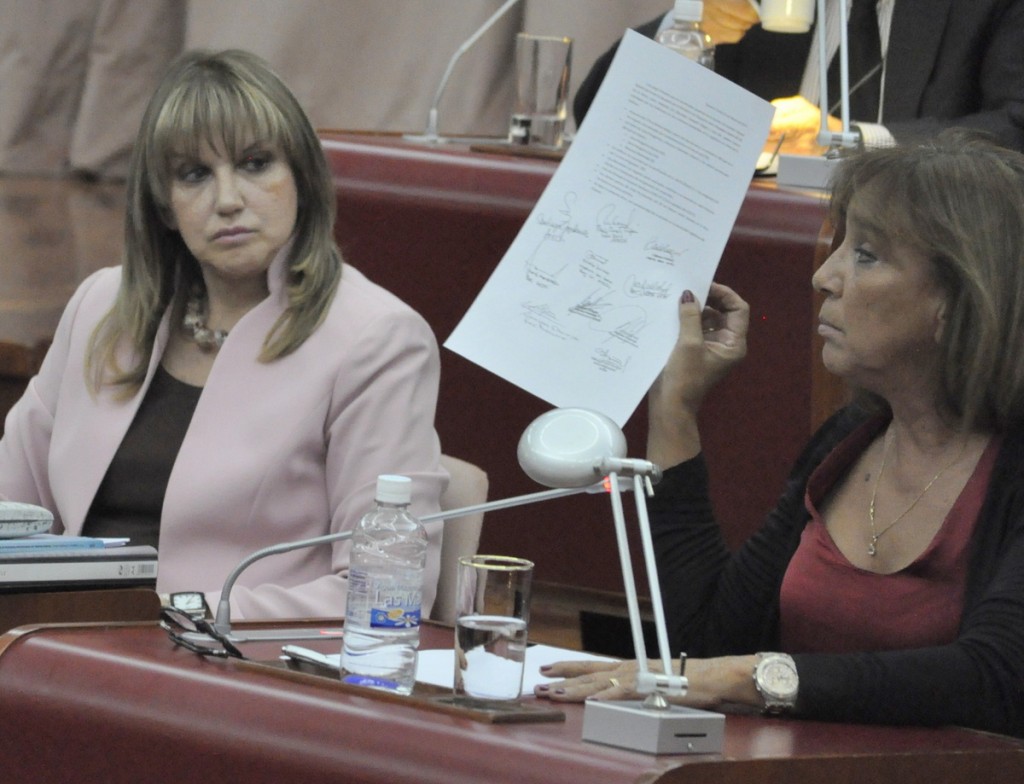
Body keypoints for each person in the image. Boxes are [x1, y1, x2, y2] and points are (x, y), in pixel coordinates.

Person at [536, 130, 1024, 738]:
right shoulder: (851, 441)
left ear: (960, 298)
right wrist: (675, 409)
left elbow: (999, 678)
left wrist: (750, 677)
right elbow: (706, 642)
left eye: (865, 255)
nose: (824, 276)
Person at [0, 49, 447, 622]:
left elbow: (387, 595)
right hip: (57, 643)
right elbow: (11, 512)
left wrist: (169, 617)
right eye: (194, 175)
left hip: (228, 658)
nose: (229, 200)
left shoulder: (377, 341)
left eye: (255, 164)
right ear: (165, 206)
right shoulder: (101, 307)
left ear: (301, 177)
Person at [573, 0, 1024, 154]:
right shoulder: (774, 6)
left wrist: (850, 141)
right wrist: (688, 22)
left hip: (928, 260)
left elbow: (1014, 127)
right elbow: (597, 110)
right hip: (763, 245)